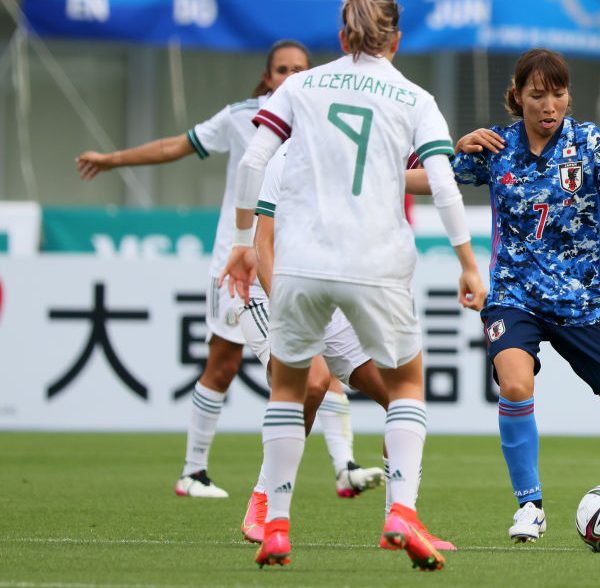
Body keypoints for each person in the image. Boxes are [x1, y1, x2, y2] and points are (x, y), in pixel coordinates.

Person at [219, 0, 486, 572]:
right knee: (407, 385)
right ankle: (397, 513)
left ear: (343, 35)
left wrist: (239, 242)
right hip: (375, 267)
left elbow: (252, 160)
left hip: (307, 269)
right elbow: (441, 186)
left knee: (294, 392)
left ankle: (280, 524)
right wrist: (468, 261)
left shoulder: (303, 90)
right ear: (397, 39)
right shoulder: (415, 98)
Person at [419, 48, 600, 552]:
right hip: (513, 296)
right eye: (537, 95)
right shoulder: (495, 146)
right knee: (514, 384)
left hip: (581, 302)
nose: (549, 104)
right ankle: (529, 507)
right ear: (517, 97)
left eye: (557, 93)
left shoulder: (587, 141)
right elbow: (426, 179)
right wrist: (440, 152)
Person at [75, 40, 317, 498]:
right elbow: (175, 146)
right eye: (281, 69)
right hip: (240, 260)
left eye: (298, 69)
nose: (289, 76)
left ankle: (339, 465)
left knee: (308, 367)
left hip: (297, 261)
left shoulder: (320, 120)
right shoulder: (243, 116)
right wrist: (112, 160)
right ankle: (194, 471)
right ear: (267, 78)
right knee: (226, 366)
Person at [238, 139, 388, 544]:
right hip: (268, 290)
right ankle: (263, 501)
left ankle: (401, 520)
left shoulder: (356, 156)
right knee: (313, 382)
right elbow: (262, 245)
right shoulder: (284, 159)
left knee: (403, 398)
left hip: (324, 292)